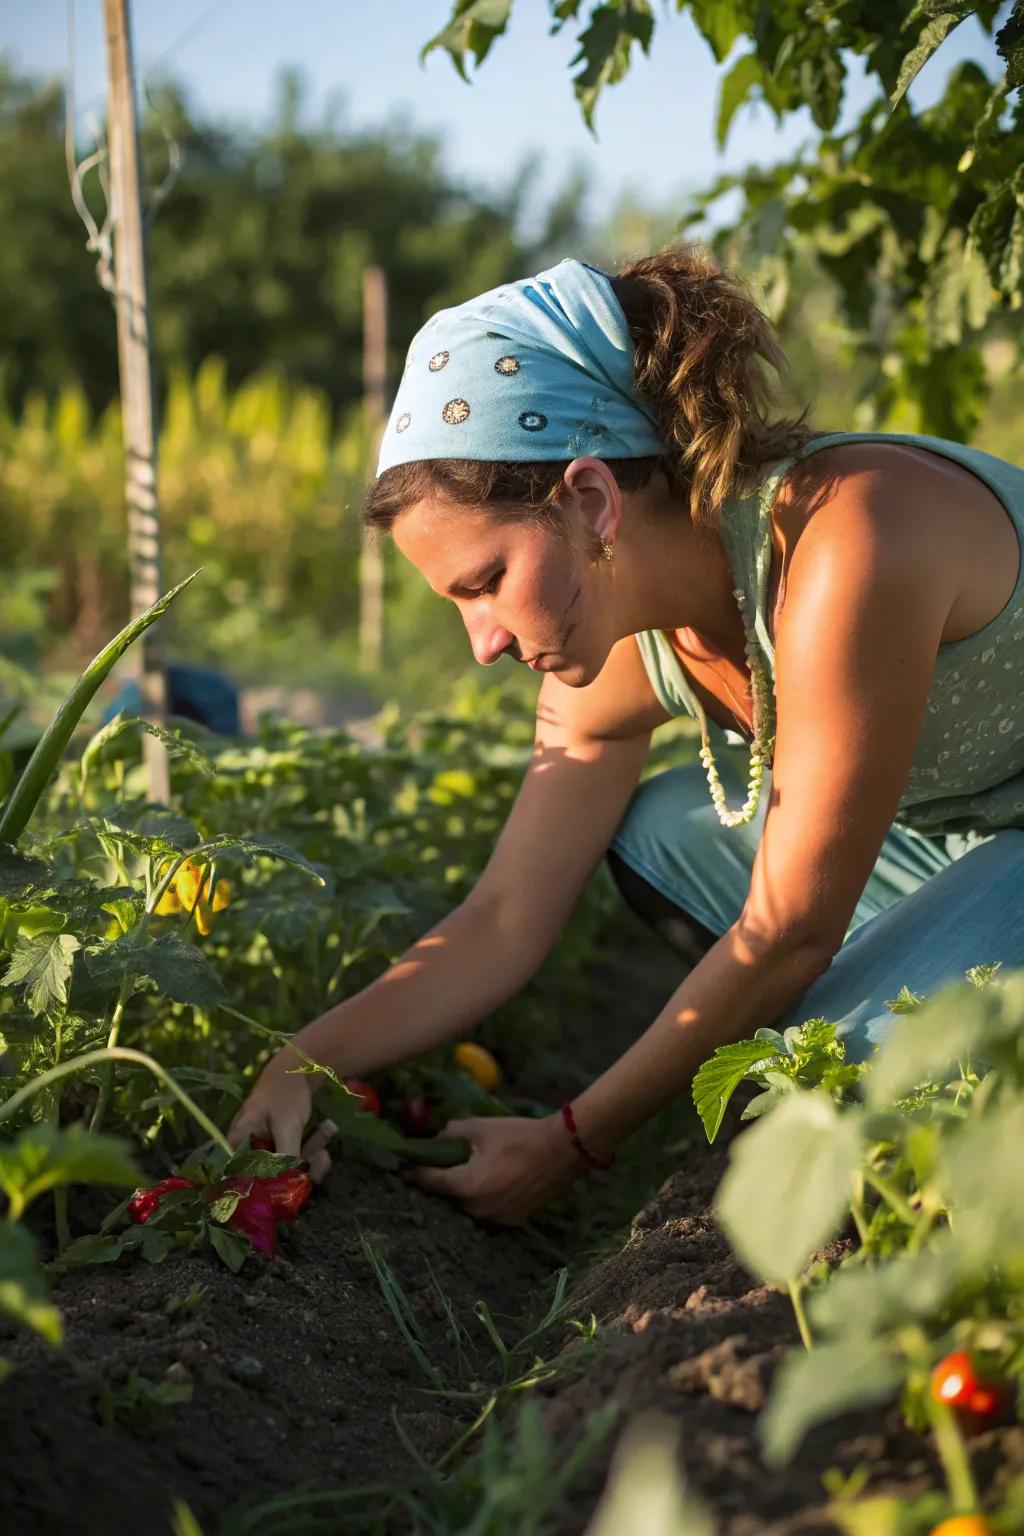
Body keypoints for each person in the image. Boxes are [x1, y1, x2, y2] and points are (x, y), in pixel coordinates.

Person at [227, 247, 1024, 1225]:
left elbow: (789, 929)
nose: (479, 643)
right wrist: (302, 1058)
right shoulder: (618, 647)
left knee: (826, 1069)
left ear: (592, 500)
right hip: (974, 842)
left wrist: (573, 1140)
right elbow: (506, 917)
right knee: (659, 835)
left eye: (484, 584)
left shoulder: (849, 536)